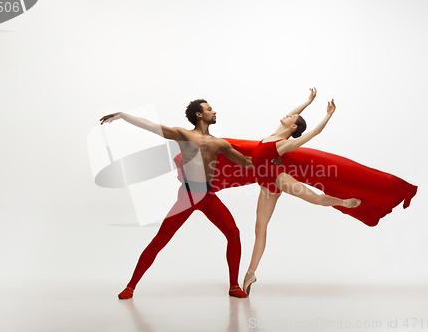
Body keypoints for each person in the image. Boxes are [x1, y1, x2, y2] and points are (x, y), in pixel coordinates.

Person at [100, 99, 252, 299]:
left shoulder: (219, 143)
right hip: (188, 196)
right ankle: (130, 286)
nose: (214, 112)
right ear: (199, 115)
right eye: (209, 109)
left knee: (233, 234)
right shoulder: (184, 135)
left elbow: (247, 162)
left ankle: (233, 286)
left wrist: (276, 158)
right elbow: (152, 127)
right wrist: (124, 116)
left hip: (207, 196)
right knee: (160, 240)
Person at [242, 88, 361, 295]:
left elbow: (313, 132)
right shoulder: (273, 135)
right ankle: (251, 273)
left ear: (293, 126)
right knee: (259, 228)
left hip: (278, 179)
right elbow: (292, 113)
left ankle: (344, 202)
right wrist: (308, 101)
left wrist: (328, 115)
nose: (289, 114)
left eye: (292, 117)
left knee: (314, 199)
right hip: (265, 186)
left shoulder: (283, 144)